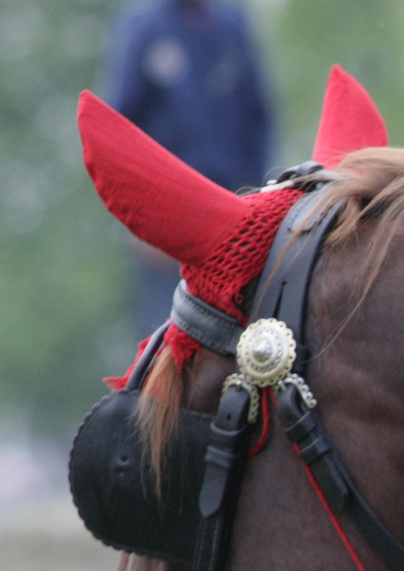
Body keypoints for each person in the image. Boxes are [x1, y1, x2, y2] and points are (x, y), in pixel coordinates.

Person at [99, 0, 273, 336]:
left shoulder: (232, 24)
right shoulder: (144, 26)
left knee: (240, 324)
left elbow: (259, 115)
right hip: (167, 220)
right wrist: (139, 221)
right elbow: (118, 125)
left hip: (233, 208)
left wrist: (264, 200)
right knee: (166, 334)